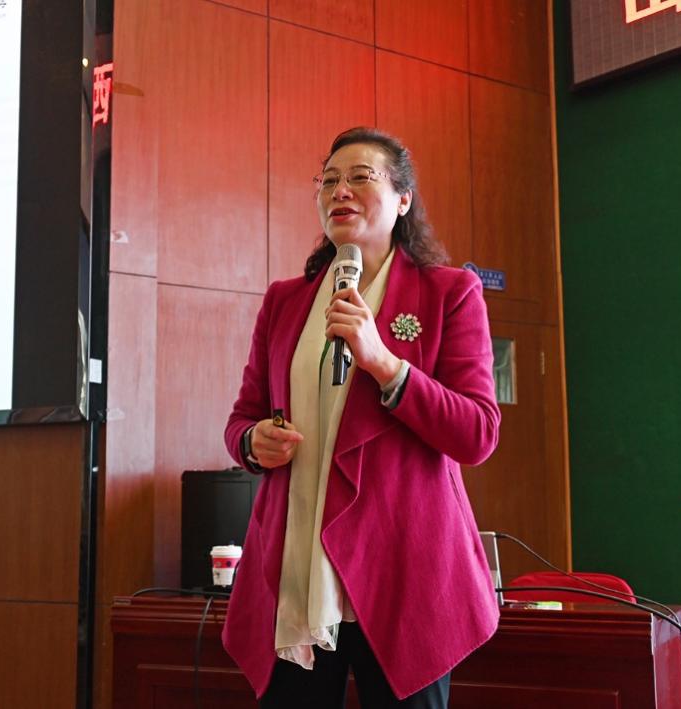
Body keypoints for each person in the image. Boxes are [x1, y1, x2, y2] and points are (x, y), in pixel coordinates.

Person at [223, 127, 501, 708]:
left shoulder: (450, 292)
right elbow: (243, 418)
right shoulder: (285, 300)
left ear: (402, 200)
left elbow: (477, 433)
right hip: (297, 568)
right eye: (328, 181)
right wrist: (253, 442)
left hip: (402, 568)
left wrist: (385, 365)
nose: (339, 191)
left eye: (359, 177)